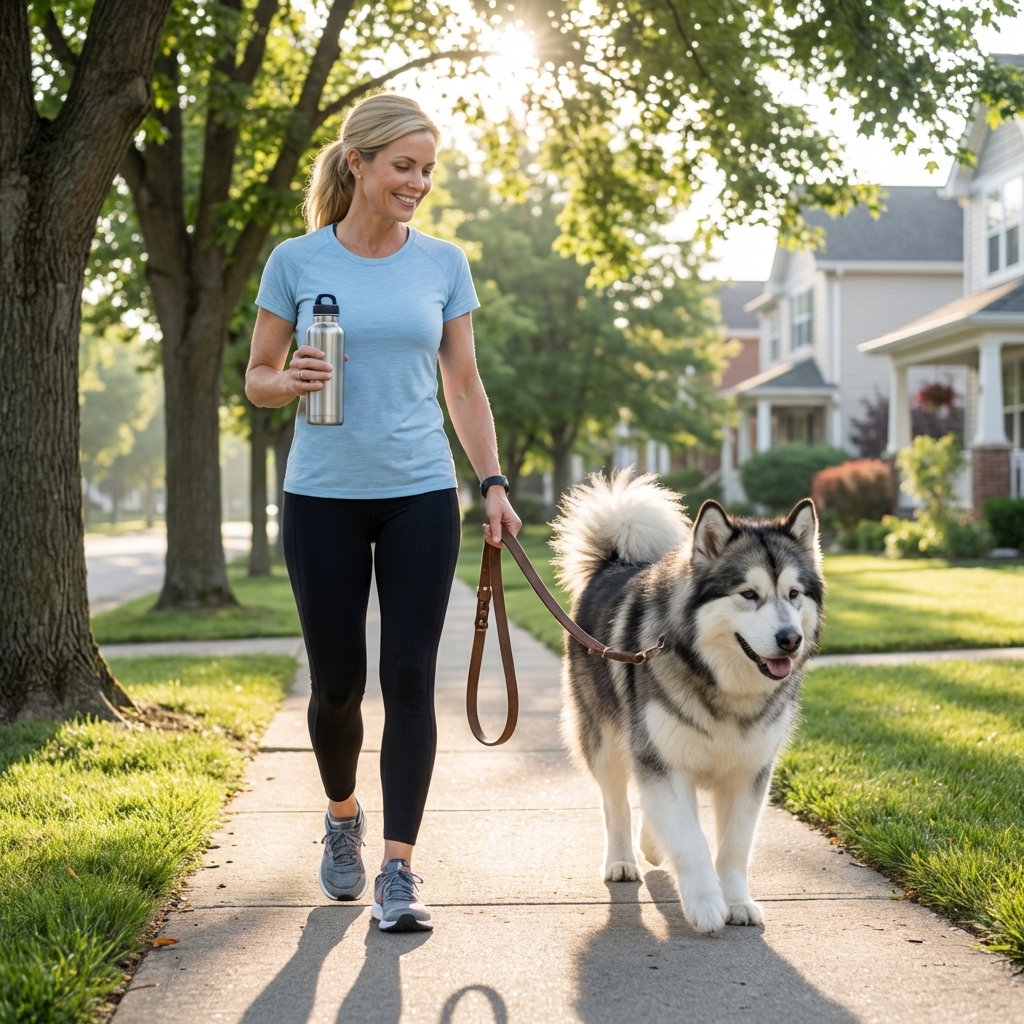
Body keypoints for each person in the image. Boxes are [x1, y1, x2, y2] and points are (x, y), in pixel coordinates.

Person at [245, 93, 520, 932]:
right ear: (357, 162)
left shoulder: (443, 263)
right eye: (404, 166)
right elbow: (256, 377)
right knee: (337, 687)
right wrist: (284, 379)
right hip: (322, 494)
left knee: (408, 678)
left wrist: (494, 483)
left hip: (419, 493)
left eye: (428, 169)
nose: (418, 183)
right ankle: (341, 817)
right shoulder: (296, 261)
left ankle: (398, 871)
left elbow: (463, 385)